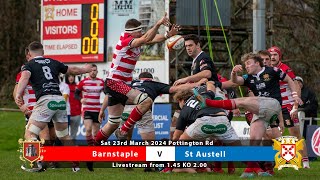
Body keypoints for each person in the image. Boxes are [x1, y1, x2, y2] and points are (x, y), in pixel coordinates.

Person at [195, 52, 303, 177]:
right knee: (254, 141)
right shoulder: (249, 78)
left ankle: (208, 102)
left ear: (257, 63)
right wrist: (234, 73)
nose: (246, 66)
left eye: (248, 63)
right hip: (261, 110)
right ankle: (251, 170)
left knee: (242, 101)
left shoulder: (272, 70)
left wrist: (295, 95)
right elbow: (235, 81)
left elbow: (289, 79)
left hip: (272, 104)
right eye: (245, 64)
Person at [94, 14, 180, 143]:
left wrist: (168, 35)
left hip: (118, 84)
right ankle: (124, 129)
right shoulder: (126, 41)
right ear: (132, 32)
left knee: (112, 123)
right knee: (146, 101)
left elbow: (152, 38)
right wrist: (157, 24)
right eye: (139, 31)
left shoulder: (134, 40)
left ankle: (92, 150)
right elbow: (146, 38)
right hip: (115, 83)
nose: (141, 33)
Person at [15, 41, 92, 172]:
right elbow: (72, 70)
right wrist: (85, 69)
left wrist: (18, 94)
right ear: (43, 52)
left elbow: (24, 78)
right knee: (64, 136)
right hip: (59, 101)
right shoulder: (53, 62)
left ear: (29, 53)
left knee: (30, 132)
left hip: (46, 101)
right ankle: (76, 164)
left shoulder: (29, 65)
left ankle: (36, 162)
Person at [96, 72, 205, 142]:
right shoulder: (155, 84)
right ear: (151, 79)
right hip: (142, 109)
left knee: (125, 136)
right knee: (150, 143)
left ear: (139, 78)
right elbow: (175, 89)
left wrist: (102, 110)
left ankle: (126, 161)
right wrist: (196, 84)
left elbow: (109, 94)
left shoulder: (130, 83)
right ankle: (149, 166)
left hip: (126, 108)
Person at [172, 83, 241, 174]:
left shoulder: (185, 108)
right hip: (223, 119)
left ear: (182, 100)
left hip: (204, 121)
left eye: (178, 103)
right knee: (240, 150)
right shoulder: (204, 96)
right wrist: (209, 83)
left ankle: (181, 167)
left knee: (182, 140)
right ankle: (258, 167)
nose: (179, 105)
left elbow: (176, 137)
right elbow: (211, 89)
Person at [268, 46, 310, 168]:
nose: (273, 57)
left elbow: (296, 85)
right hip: (274, 105)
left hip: (287, 105)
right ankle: (271, 160)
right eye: (271, 55)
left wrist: (295, 106)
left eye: (275, 54)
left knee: (295, 134)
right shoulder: (267, 70)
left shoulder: (285, 68)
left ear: (279, 56)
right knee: (271, 133)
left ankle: (305, 162)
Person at [75, 64, 104, 146]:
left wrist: (103, 109)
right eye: (91, 70)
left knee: (96, 133)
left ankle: (95, 149)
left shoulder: (101, 82)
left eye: (94, 70)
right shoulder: (83, 82)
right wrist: (81, 99)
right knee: (88, 129)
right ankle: (90, 147)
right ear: (88, 72)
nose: (93, 72)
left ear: (97, 71)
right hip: (87, 109)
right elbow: (76, 94)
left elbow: (107, 95)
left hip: (97, 110)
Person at [65, 74, 81, 140]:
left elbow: (81, 99)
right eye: (69, 76)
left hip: (76, 114)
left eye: (72, 76)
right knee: (64, 134)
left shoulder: (78, 87)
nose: (71, 78)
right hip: (65, 114)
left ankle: (72, 148)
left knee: (73, 134)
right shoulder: (64, 86)